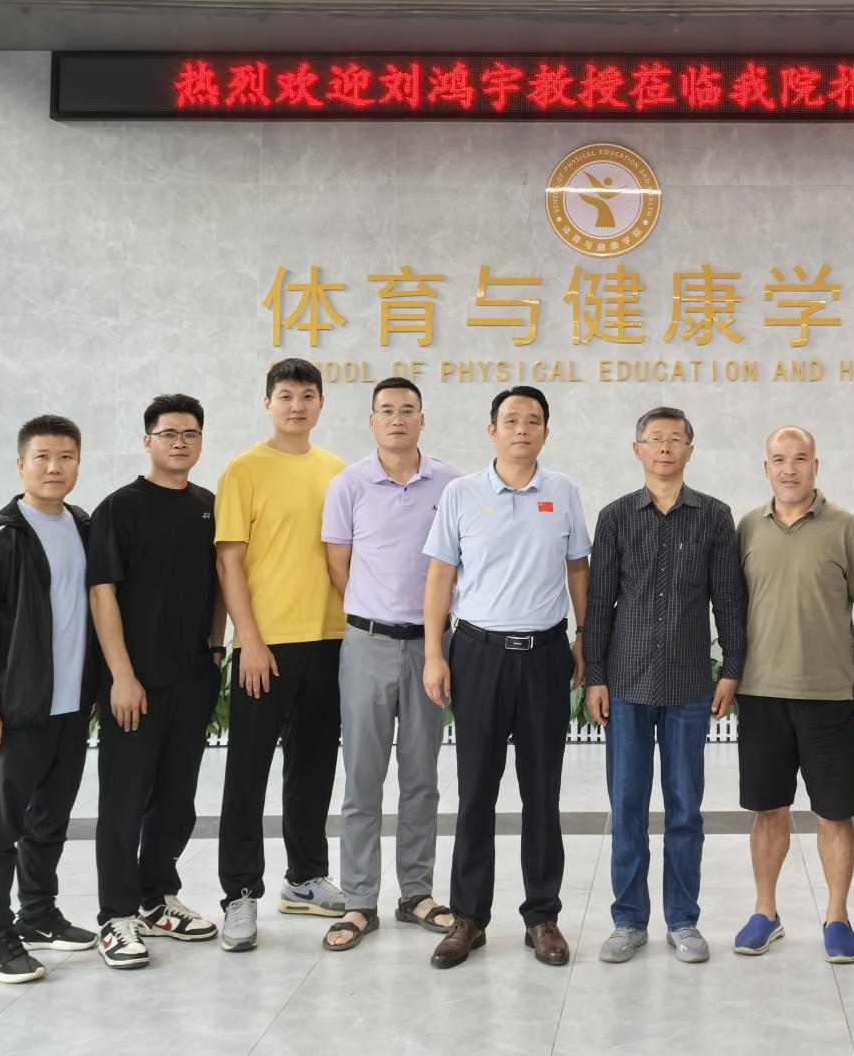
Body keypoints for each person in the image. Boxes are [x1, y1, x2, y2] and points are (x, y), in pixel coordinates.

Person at [421, 386, 591, 969]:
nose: (522, 429)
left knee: (543, 791)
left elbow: (578, 568)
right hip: (478, 654)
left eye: (533, 420)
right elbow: (440, 576)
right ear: (491, 430)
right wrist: (434, 654)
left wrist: (584, 638)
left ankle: (542, 916)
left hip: (544, 654)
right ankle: (468, 917)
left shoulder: (563, 491)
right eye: (511, 420)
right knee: (476, 792)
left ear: (547, 432)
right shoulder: (461, 493)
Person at [582, 406, 747, 966]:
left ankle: (683, 920)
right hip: (626, 685)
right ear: (638, 450)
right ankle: (628, 920)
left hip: (688, 686)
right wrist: (596, 676)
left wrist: (731, 669)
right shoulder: (615, 516)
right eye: (654, 439)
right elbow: (599, 603)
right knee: (627, 808)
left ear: (690, 451)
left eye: (675, 439)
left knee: (685, 810)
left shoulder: (714, 516)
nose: (664, 448)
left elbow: (729, 600)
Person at [0, 414, 99, 983]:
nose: (54, 467)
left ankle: (38, 915)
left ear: (78, 464)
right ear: (21, 465)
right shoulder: (0, 534)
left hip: (70, 710)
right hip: (15, 712)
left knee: (49, 822)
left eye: (66, 457)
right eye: (42, 457)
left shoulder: (83, 526)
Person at [320, 376, 460, 952]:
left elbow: (457, 563)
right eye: (386, 411)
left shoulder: (451, 484)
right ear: (372, 421)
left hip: (431, 647)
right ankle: (358, 901)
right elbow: (339, 565)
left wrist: (428, 636)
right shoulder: (349, 484)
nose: (397, 419)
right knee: (362, 778)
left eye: (407, 410)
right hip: (367, 645)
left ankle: (416, 893)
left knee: (422, 777)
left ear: (422, 419)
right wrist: (375, 612)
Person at [733, 426, 854, 965]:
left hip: (827, 694)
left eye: (800, 458)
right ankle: (765, 912)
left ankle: (837, 916)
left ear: (816, 466)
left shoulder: (845, 527)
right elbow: (731, 606)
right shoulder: (747, 527)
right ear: (766, 467)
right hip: (760, 693)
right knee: (768, 809)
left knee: (834, 813)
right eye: (779, 459)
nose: (789, 468)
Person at [214, 358, 349, 952]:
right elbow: (229, 560)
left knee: (314, 766)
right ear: (268, 403)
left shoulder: (337, 470)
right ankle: (240, 893)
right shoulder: (244, 468)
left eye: (307, 395)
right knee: (247, 773)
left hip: (331, 639)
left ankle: (305, 878)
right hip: (264, 647)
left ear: (321, 404)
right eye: (286, 395)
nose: (297, 405)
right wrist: (248, 639)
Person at [88, 395, 227, 970]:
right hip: (135, 684)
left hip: (192, 678)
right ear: (148, 441)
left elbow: (221, 583)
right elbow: (102, 593)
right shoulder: (119, 508)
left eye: (190, 434)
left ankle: (155, 899)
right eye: (169, 434)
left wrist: (215, 650)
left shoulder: (209, 506)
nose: (179, 443)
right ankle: (116, 915)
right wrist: (121, 676)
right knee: (124, 802)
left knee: (176, 800)